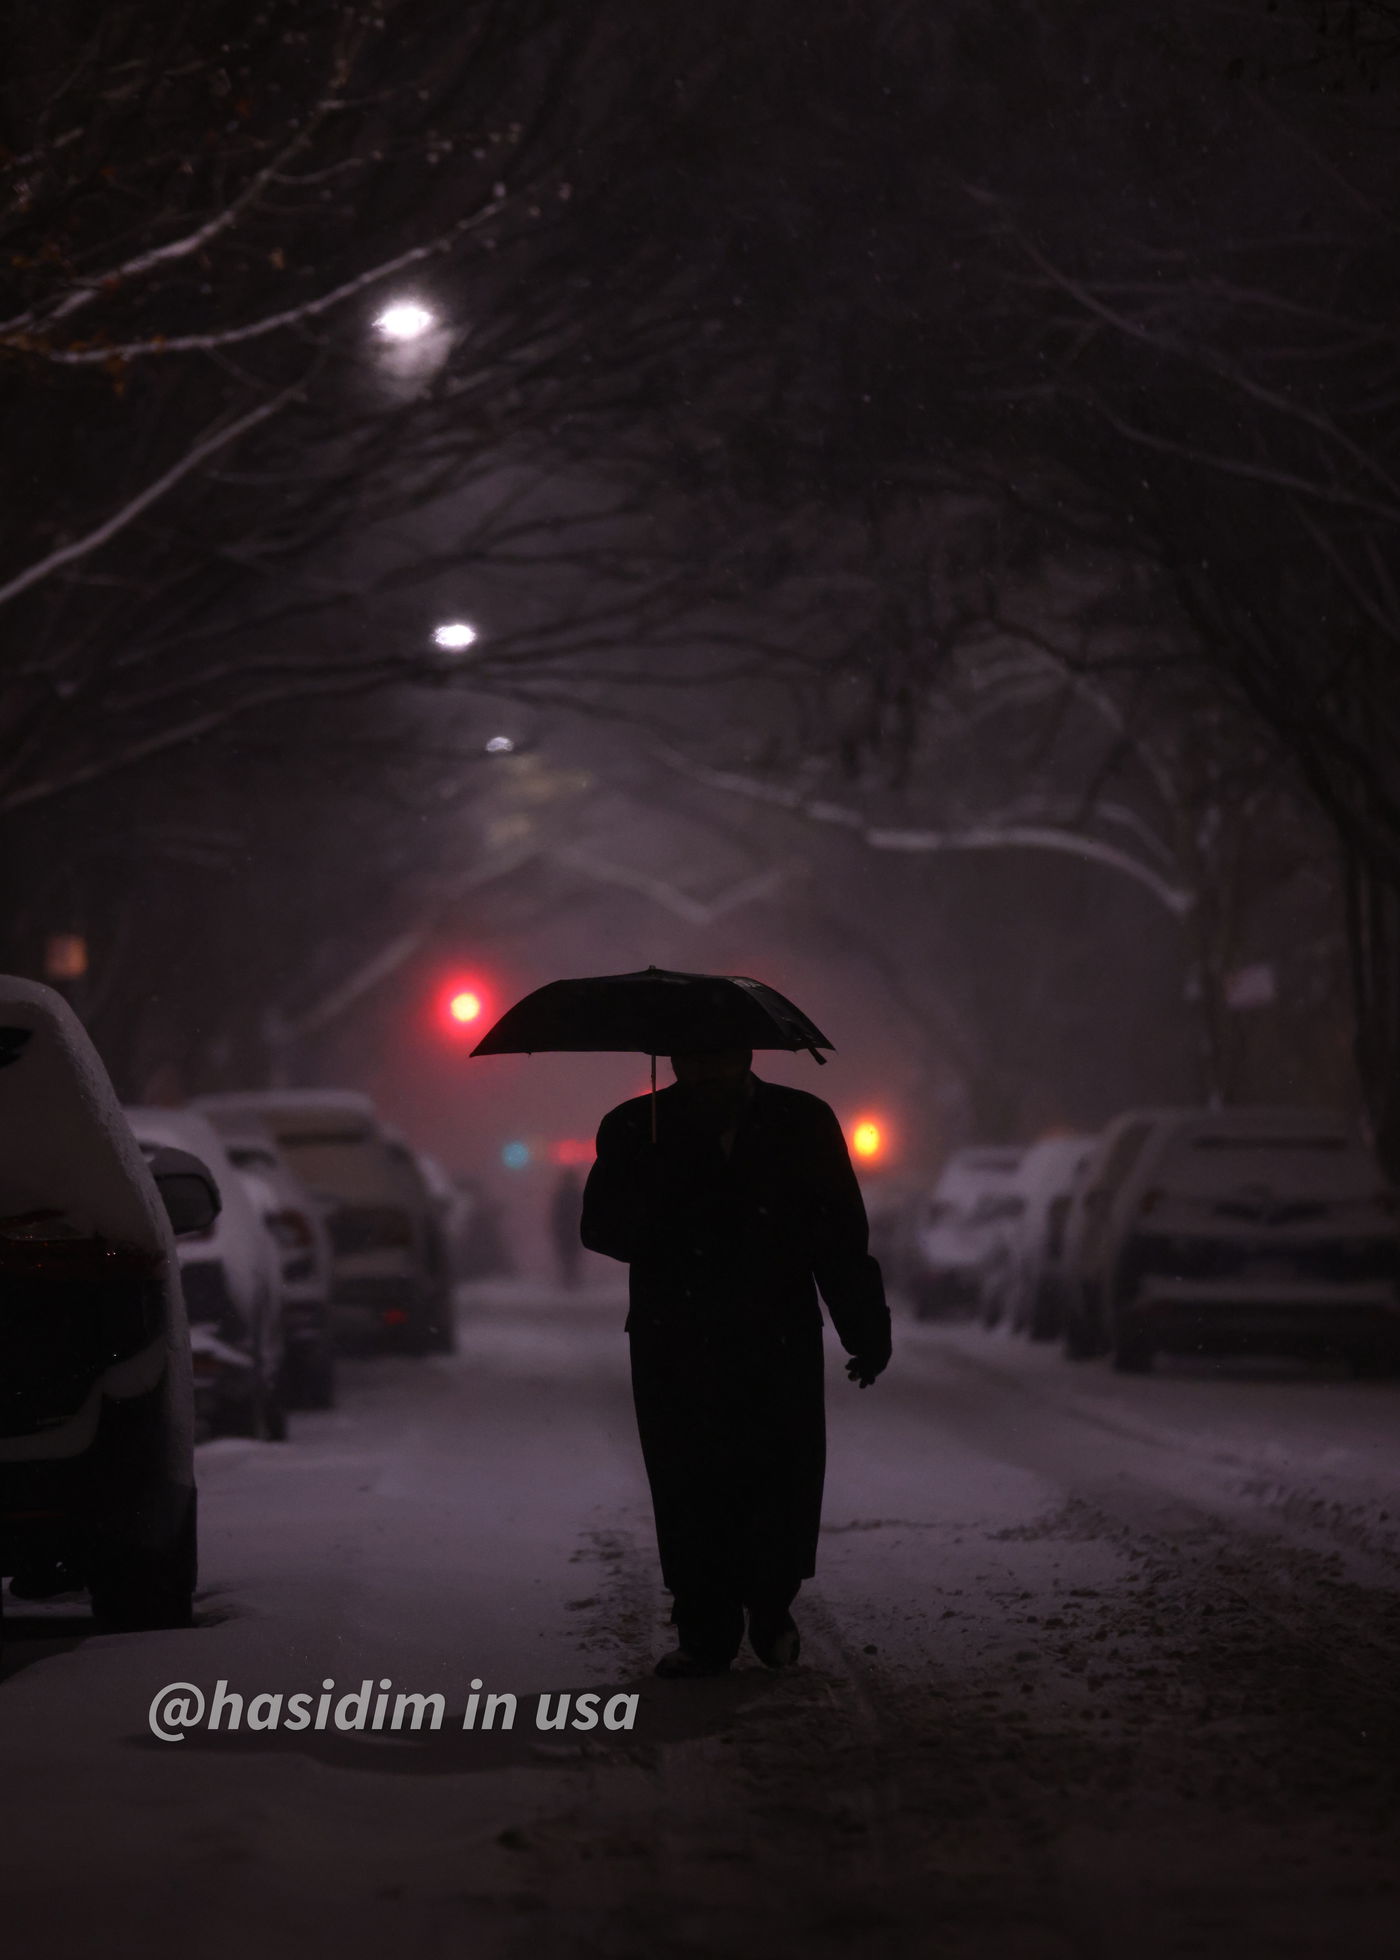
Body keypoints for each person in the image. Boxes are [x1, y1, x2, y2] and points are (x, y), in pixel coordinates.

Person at [580, 1045, 891, 1677]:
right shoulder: (636, 1127)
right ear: (671, 1061)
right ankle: (705, 1625)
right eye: (694, 1058)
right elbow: (600, 1227)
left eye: (718, 1056)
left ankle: (771, 1602)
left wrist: (864, 1328)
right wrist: (664, 1193)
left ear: (747, 1053)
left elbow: (838, 1232)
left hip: (775, 1333)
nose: (705, 1072)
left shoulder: (802, 1121)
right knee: (687, 1478)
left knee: (780, 1472)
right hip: (676, 1338)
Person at [548, 1166, 584, 1289]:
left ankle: (568, 1279)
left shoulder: (561, 1194)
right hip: (574, 1229)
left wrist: (555, 1228)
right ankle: (572, 1279)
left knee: (567, 1257)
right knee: (572, 1256)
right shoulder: (576, 1194)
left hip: (565, 1230)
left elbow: (556, 1214)